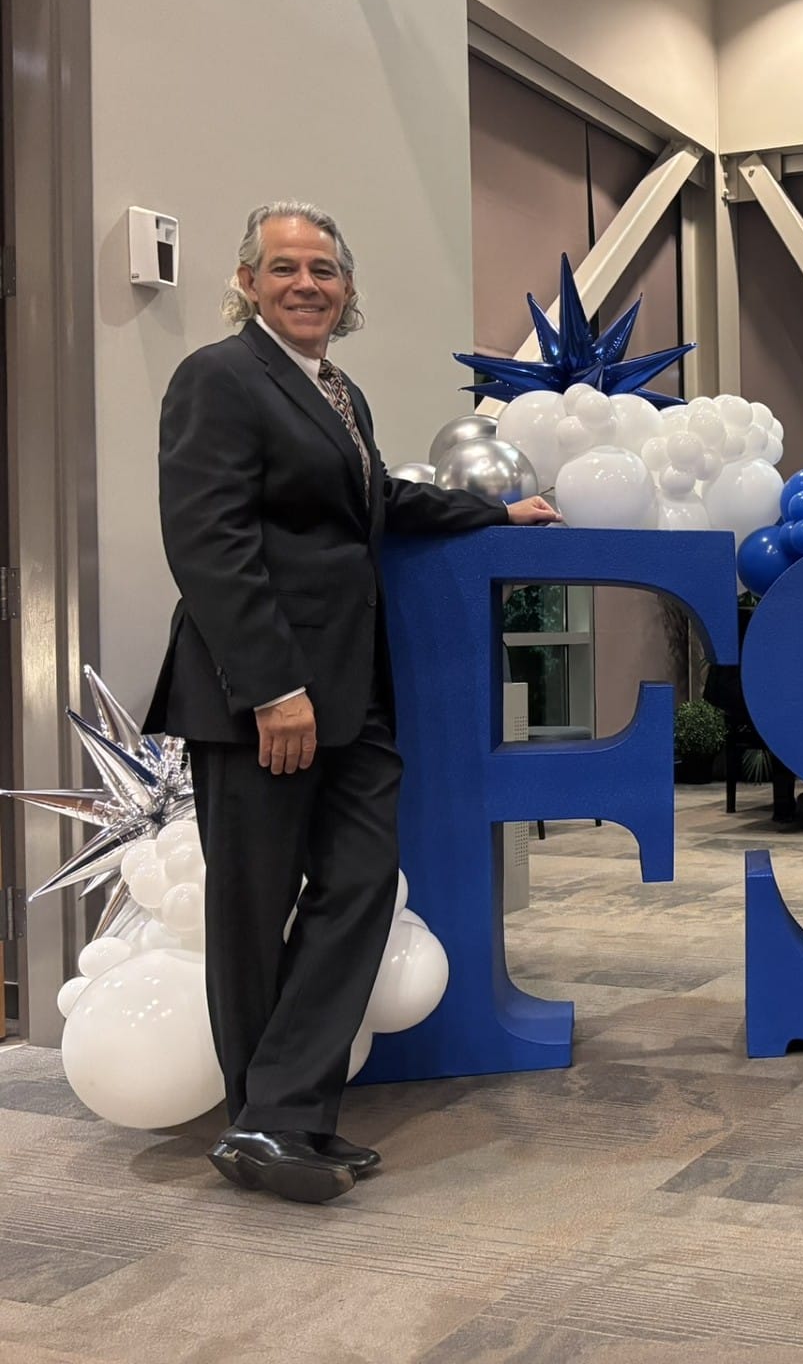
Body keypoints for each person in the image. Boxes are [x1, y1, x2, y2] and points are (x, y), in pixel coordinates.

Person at [144, 202, 560, 1202]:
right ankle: (271, 1123)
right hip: (265, 696)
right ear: (247, 280)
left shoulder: (339, 393)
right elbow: (210, 543)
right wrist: (272, 688)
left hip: (352, 693)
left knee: (362, 883)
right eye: (284, 267)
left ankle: (276, 1113)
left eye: (324, 269)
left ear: (346, 289)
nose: (307, 283)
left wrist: (493, 512)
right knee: (252, 910)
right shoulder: (218, 378)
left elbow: (379, 504)